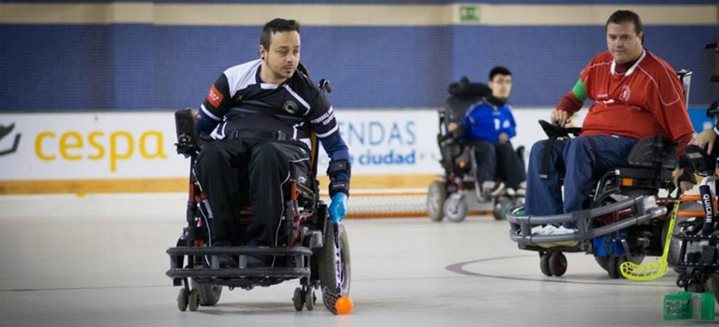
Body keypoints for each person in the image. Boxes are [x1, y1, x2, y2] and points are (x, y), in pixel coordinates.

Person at [194, 18, 351, 266]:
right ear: (263, 52)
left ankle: (262, 247)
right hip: (236, 148)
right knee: (211, 154)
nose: (291, 59)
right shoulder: (233, 79)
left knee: (267, 154)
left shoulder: (309, 94)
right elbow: (201, 129)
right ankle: (221, 245)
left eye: (296, 51)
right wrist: (188, 134)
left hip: (284, 154)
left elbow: (337, 147)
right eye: (283, 51)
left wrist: (340, 190)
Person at [525, 10, 694, 234]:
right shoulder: (598, 64)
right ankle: (545, 224)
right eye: (612, 37)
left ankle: (572, 224)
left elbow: (682, 128)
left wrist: (686, 167)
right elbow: (573, 98)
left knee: (579, 146)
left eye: (625, 37)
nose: (618, 44)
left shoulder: (658, 74)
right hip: (592, 143)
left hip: (635, 148)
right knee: (541, 150)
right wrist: (563, 110)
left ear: (639, 37)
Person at [452, 66, 526, 197]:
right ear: (491, 84)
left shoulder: (506, 110)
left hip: (496, 145)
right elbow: (464, 124)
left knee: (506, 149)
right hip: (477, 144)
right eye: (500, 81)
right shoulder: (478, 108)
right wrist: (455, 126)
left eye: (508, 82)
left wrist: (507, 134)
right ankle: (486, 184)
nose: (504, 86)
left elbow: (512, 128)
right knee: (487, 148)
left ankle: (519, 185)